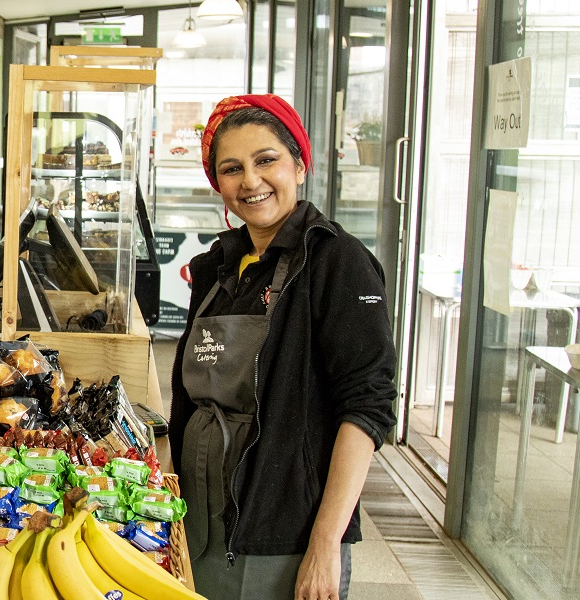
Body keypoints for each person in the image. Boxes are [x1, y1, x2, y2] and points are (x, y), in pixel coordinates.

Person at [169, 94, 397, 600]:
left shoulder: (337, 263)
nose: (250, 181)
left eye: (266, 160)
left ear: (299, 164)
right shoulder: (219, 268)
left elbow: (367, 408)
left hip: (285, 535)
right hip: (203, 526)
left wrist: (324, 546)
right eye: (232, 169)